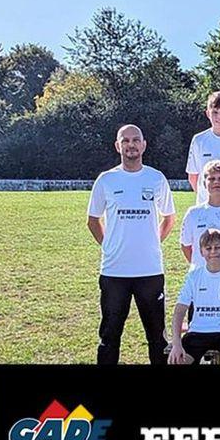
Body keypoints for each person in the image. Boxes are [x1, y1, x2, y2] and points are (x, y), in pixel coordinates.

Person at [87, 124, 175, 365]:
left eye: (136, 140)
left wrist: (152, 242)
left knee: (157, 338)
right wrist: (109, 246)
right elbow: (93, 220)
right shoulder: (106, 180)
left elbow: (169, 218)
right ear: (118, 146)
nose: (131, 145)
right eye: (125, 141)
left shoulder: (156, 178)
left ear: (144, 145)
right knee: (109, 336)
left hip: (150, 271)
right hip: (115, 271)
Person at [168, 229, 220, 365]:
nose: (213, 252)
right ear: (201, 251)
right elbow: (179, 311)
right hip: (198, 332)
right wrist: (176, 345)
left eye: (217, 247)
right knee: (176, 361)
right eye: (208, 248)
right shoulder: (193, 277)